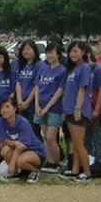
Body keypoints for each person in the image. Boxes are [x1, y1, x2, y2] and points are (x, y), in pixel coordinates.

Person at [60, 41, 93, 183]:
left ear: (83, 52)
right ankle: (75, 170)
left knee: (79, 144)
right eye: (71, 51)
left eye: (76, 51)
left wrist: (78, 108)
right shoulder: (73, 69)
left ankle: (87, 172)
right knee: (74, 142)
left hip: (78, 111)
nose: (73, 54)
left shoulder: (84, 68)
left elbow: (82, 89)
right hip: (69, 110)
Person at [33, 42, 66, 173]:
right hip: (40, 107)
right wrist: (36, 105)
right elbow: (37, 87)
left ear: (58, 54)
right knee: (45, 136)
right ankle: (49, 160)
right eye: (48, 53)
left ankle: (56, 162)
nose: (49, 55)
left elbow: (59, 91)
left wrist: (47, 107)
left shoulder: (62, 71)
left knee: (52, 137)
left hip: (54, 108)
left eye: (52, 53)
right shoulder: (42, 69)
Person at [0, 98, 46, 184]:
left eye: (7, 107)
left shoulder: (23, 122)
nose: (4, 110)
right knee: (5, 151)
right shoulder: (0, 121)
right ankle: (16, 173)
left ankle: (35, 171)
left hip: (35, 151)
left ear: (15, 109)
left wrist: (12, 163)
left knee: (19, 161)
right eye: (2, 108)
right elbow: (3, 139)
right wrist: (13, 142)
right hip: (19, 149)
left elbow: (22, 146)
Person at [85, 45, 101, 164]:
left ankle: (99, 159)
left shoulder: (97, 70)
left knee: (95, 134)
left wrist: (97, 109)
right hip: (85, 108)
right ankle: (89, 159)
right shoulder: (81, 69)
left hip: (94, 107)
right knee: (86, 136)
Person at [15, 39, 43, 126]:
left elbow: (37, 85)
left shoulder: (39, 65)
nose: (25, 52)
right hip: (21, 104)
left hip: (33, 104)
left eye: (28, 49)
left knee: (34, 130)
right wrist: (19, 100)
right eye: (23, 50)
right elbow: (18, 83)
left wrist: (27, 102)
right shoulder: (21, 65)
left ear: (34, 50)